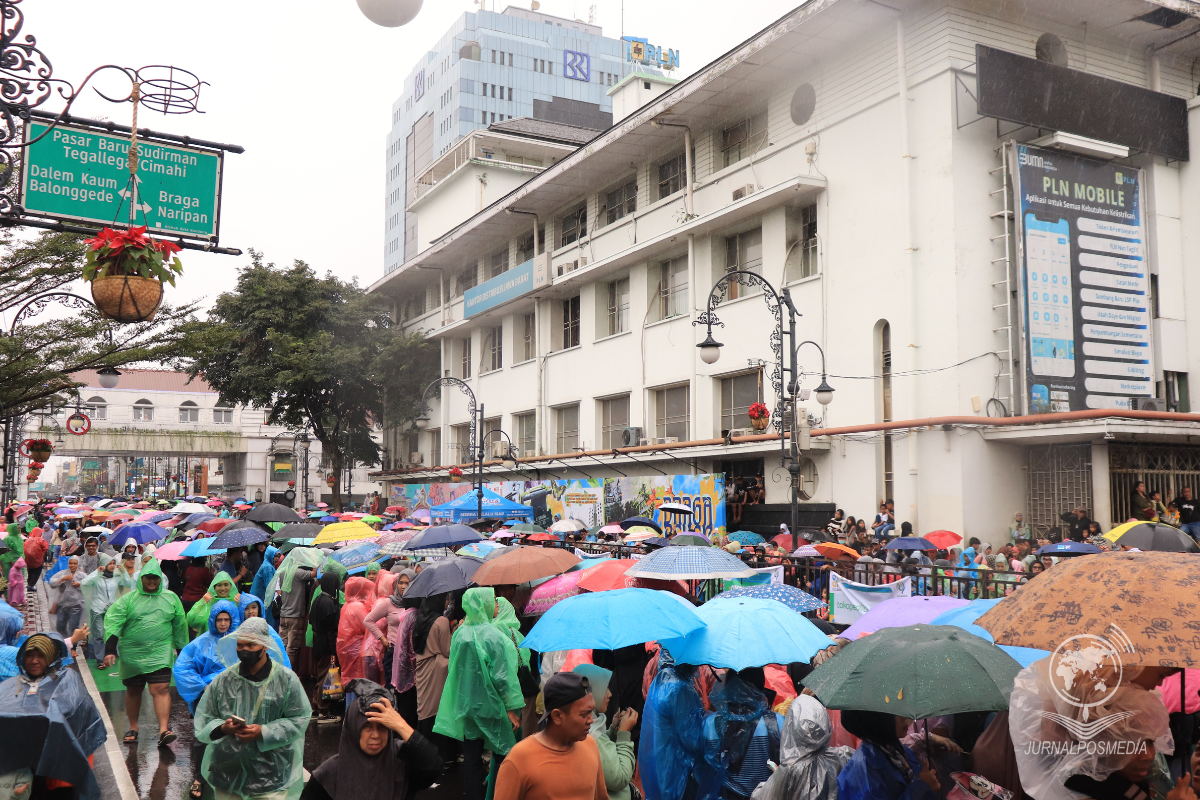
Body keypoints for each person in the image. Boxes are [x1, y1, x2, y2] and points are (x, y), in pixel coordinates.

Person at [193, 618, 311, 800]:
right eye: (240, 645)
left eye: (250, 645)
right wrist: (223, 728)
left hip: (271, 776)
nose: (244, 651)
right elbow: (204, 719)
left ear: (265, 646)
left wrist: (264, 732)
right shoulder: (224, 680)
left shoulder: (286, 680)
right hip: (227, 773)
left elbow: (299, 718)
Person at [434, 586, 525, 800]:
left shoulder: (460, 633)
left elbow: (455, 670)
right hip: (493, 705)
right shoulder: (494, 636)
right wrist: (511, 708)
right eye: (493, 599)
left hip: (468, 705)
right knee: (503, 754)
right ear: (483, 603)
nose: (496, 604)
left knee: (472, 758)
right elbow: (503, 677)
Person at [0, 632, 107, 800]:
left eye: (40, 655)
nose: (34, 661)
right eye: (29, 655)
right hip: (27, 761)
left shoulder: (67, 679)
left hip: (59, 760)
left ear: (50, 657)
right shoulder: (14, 683)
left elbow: (68, 710)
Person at [101, 558, 188, 748]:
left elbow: (180, 626)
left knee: (161, 688)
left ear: (160, 579)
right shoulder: (128, 600)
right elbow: (114, 622)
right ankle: (133, 727)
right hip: (133, 654)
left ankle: (164, 729)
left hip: (161, 651)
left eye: (155, 578)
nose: (151, 581)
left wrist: (182, 653)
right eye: (148, 577)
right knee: (134, 690)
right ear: (141, 579)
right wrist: (109, 650)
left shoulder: (171, 598)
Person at [303, 689, 443, 800]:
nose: (375, 735)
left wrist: (401, 725)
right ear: (354, 728)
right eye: (367, 727)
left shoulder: (401, 761)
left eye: (382, 726)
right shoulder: (329, 774)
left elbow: (433, 767)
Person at [493, 671, 608, 800]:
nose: (591, 720)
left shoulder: (590, 745)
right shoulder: (519, 759)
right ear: (557, 716)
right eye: (584, 714)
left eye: (591, 711)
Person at [175, 600, 241, 800]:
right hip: (208, 696)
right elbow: (182, 668)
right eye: (219, 619)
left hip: (236, 695)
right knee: (205, 734)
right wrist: (203, 686)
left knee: (235, 734)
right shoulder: (200, 643)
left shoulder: (239, 640)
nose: (223, 624)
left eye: (226, 619)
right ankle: (200, 777)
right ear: (213, 620)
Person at [750, 695, 854, 800]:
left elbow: (761, 797)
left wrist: (770, 782)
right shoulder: (844, 756)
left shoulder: (789, 769)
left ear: (792, 726)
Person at [702, 668, 785, 800]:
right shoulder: (778, 723)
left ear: (728, 686)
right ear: (760, 686)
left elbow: (704, 772)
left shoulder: (709, 725)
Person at [642, 648, 710, 800]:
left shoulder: (662, 679)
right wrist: (709, 722)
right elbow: (692, 740)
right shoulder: (681, 690)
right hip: (678, 771)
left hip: (661, 761)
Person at [837, 710, 938, 800]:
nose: (905, 717)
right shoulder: (866, 773)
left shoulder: (898, 751)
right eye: (894, 712)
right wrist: (922, 788)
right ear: (875, 718)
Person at [573, 664, 637, 800]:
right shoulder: (591, 734)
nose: (610, 694)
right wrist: (624, 733)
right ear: (591, 691)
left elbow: (601, 756)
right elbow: (620, 778)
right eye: (605, 688)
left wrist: (613, 731)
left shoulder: (585, 724)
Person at [270, 548, 321, 666]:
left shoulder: (283, 571)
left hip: (283, 614)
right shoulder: (298, 572)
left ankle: (280, 670)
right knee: (292, 648)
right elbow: (314, 573)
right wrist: (314, 560)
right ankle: (289, 673)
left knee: (283, 645)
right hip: (295, 616)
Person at [413, 592, 453, 744]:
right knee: (436, 711)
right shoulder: (441, 620)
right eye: (446, 598)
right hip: (436, 670)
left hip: (422, 668)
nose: (447, 602)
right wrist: (454, 631)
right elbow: (447, 650)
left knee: (424, 709)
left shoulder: (421, 619)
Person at [365, 568, 413, 688]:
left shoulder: (415, 603)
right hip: (393, 652)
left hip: (410, 654)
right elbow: (368, 620)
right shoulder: (389, 603)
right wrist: (382, 639)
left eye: (407, 583)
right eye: (400, 582)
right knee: (392, 689)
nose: (403, 586)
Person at [309, 571, 343, 723]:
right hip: (326, 644)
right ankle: (324, 710)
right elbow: (331, 631)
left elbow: (311, 621)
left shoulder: (317, 599)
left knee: (320, 674)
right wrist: (333, 651)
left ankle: (315, 707)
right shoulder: (329, 603)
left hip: (317, 641)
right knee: (325, 676)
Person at [338, 576, 385, 683]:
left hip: (346, 648)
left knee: (350, 680)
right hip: (356, 649)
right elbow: (368, 627)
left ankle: (350, 700)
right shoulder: (357, 606)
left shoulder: (347, 604)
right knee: (357, 680)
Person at [80, 554, 120, 664]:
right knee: (99, 634)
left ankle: (112, 654)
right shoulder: (97, 577)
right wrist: (97, 571)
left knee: (113, 632)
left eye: (113, 563)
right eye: (109, 563)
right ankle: (100, 659)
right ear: (103, 565)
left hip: (112, 609)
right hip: (97, 608)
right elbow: (84, 583)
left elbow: (127, 583)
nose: (112, 566)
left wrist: (124, 572)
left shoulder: (116, 577)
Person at [237, 593, 291, 666]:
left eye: (253, 607)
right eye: (246, 608)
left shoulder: (268, 630)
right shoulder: (237, 630)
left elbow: (281, 657)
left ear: (259, 609)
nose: (250, 611)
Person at [50, 555, 87, 639]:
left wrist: (79, 584)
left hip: (77, 605)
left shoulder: (82, 575)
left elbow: (89, 585)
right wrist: (62, 579)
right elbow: (51, 582)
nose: (72, 565)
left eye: (75, 563)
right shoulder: (63, 573)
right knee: (60, 626)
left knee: (74, 627)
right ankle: (65, 641)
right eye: (70, 563)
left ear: (78, 564)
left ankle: (73, 647)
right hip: (62, 604)